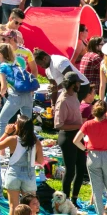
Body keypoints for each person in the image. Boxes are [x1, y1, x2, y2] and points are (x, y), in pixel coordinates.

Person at [55, 72, 86, 201]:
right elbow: (58, 125)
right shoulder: (62, 101)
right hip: (67, 137)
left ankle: (74, 198)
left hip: (78, 135)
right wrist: (78, 126)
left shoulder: (75, 95)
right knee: (70, 171)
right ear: (72, 84)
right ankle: (65, 200)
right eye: (78, 83)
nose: (79, 85)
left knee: (81, 168)